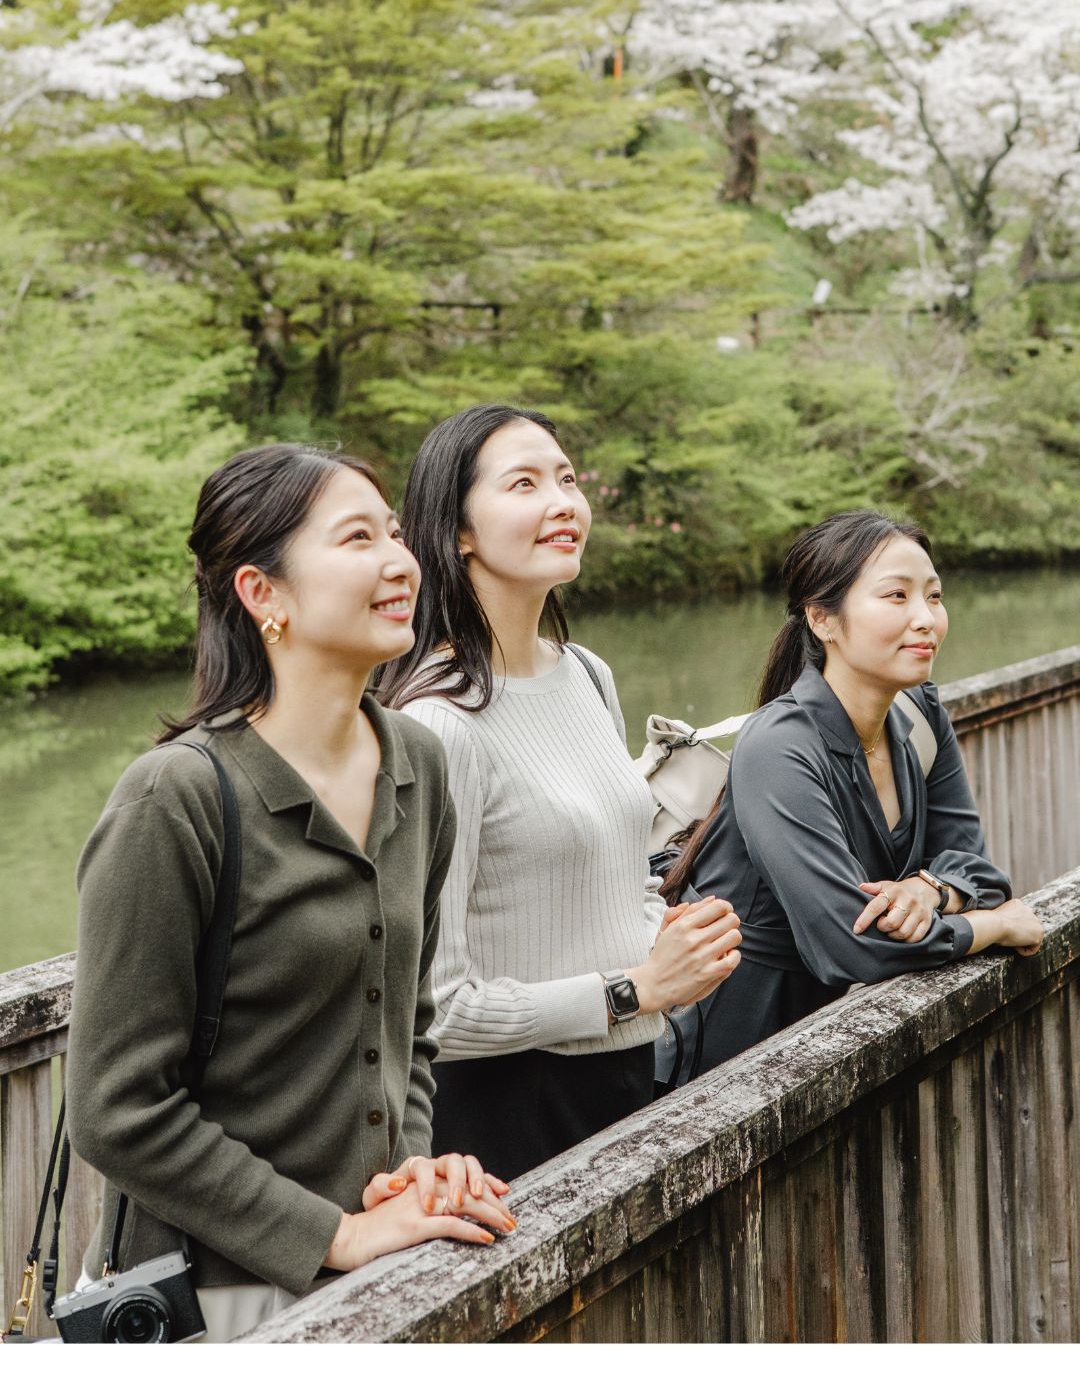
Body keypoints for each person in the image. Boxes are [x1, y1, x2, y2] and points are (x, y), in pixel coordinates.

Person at [65, 444, 515, 1344]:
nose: (400, 560)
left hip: (381, 1275)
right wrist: (334, 1234)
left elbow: (409, 1029)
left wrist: (409, 1174)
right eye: (357, 538)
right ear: (262, 593)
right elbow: (116, 1110)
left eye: (395, 532)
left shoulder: (418, 766)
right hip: (213, 1303)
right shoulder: (176, 799)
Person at [378, 404, 743, 1180]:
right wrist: (632, 989)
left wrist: (671, 940)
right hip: (503, 1110)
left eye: (568, 479)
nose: (563, 502)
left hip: (628, 1074)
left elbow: (617, 874)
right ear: (459, 531)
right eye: (524, 483)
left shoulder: (585, 672)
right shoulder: (439, 723)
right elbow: (434, 1009)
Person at [656, 509, 1044, 1083]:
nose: (926, 619)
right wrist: (995, 928)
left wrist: (929, 889)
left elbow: (978, 871)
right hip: (735, 1049)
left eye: (933, 597)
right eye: (896, 596)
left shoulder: (919, 713)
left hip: (838, 1033)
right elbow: (848, 943)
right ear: (822, 619)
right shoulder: (778, 745)